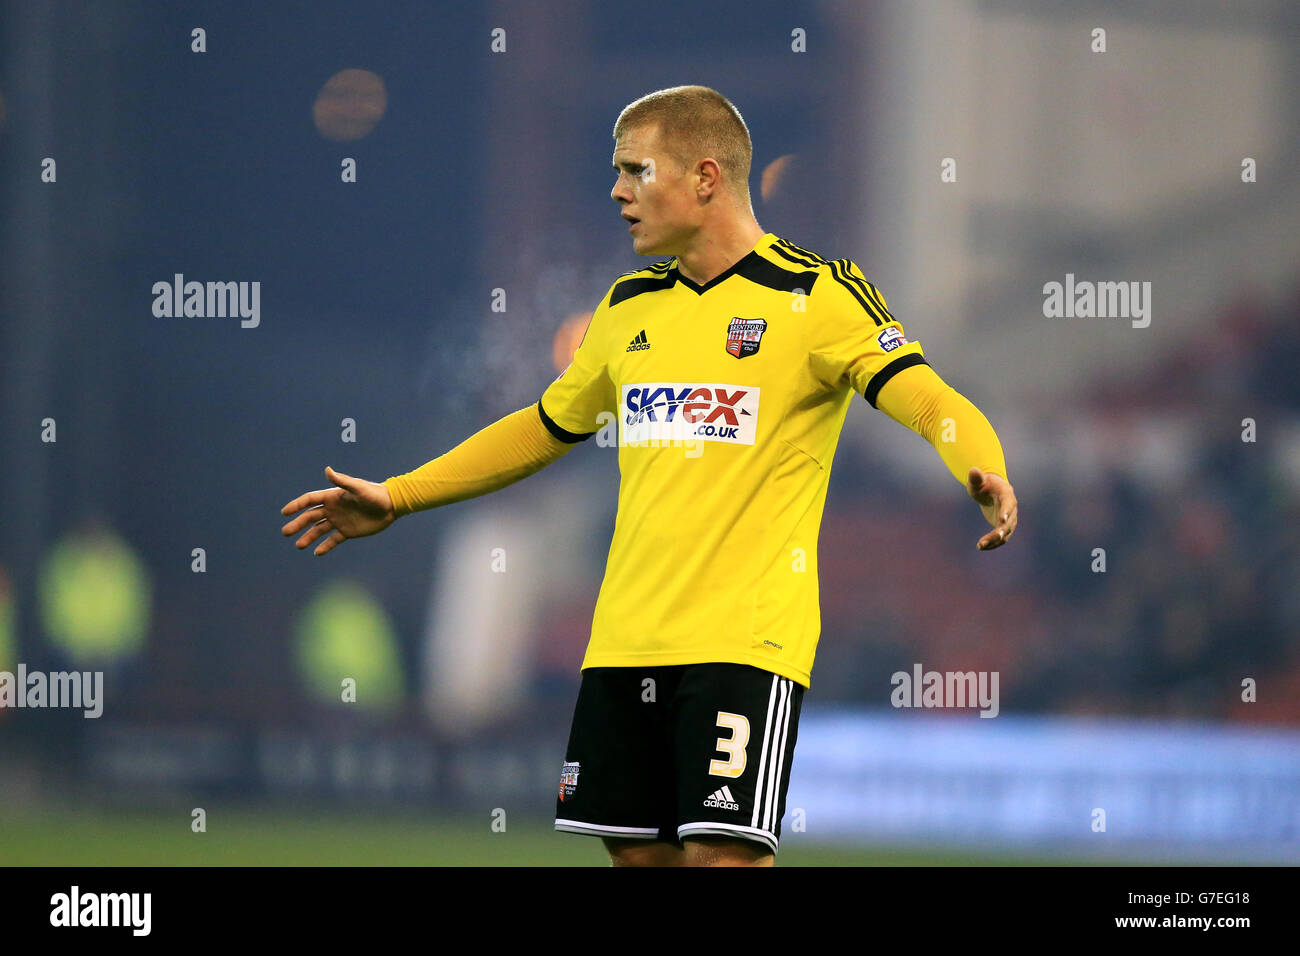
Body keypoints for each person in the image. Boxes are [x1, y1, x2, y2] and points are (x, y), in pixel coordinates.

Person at [280, 85, 1018, 867]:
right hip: (625, 645)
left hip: (744, 643)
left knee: (721, 858)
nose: (617, 192)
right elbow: (540, 429)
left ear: (704, 178)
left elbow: (927, 396)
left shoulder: (815, 295)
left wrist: (983, 467)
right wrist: (398, 495)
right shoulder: (627, 309)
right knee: (643, 861)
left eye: (635, 170)